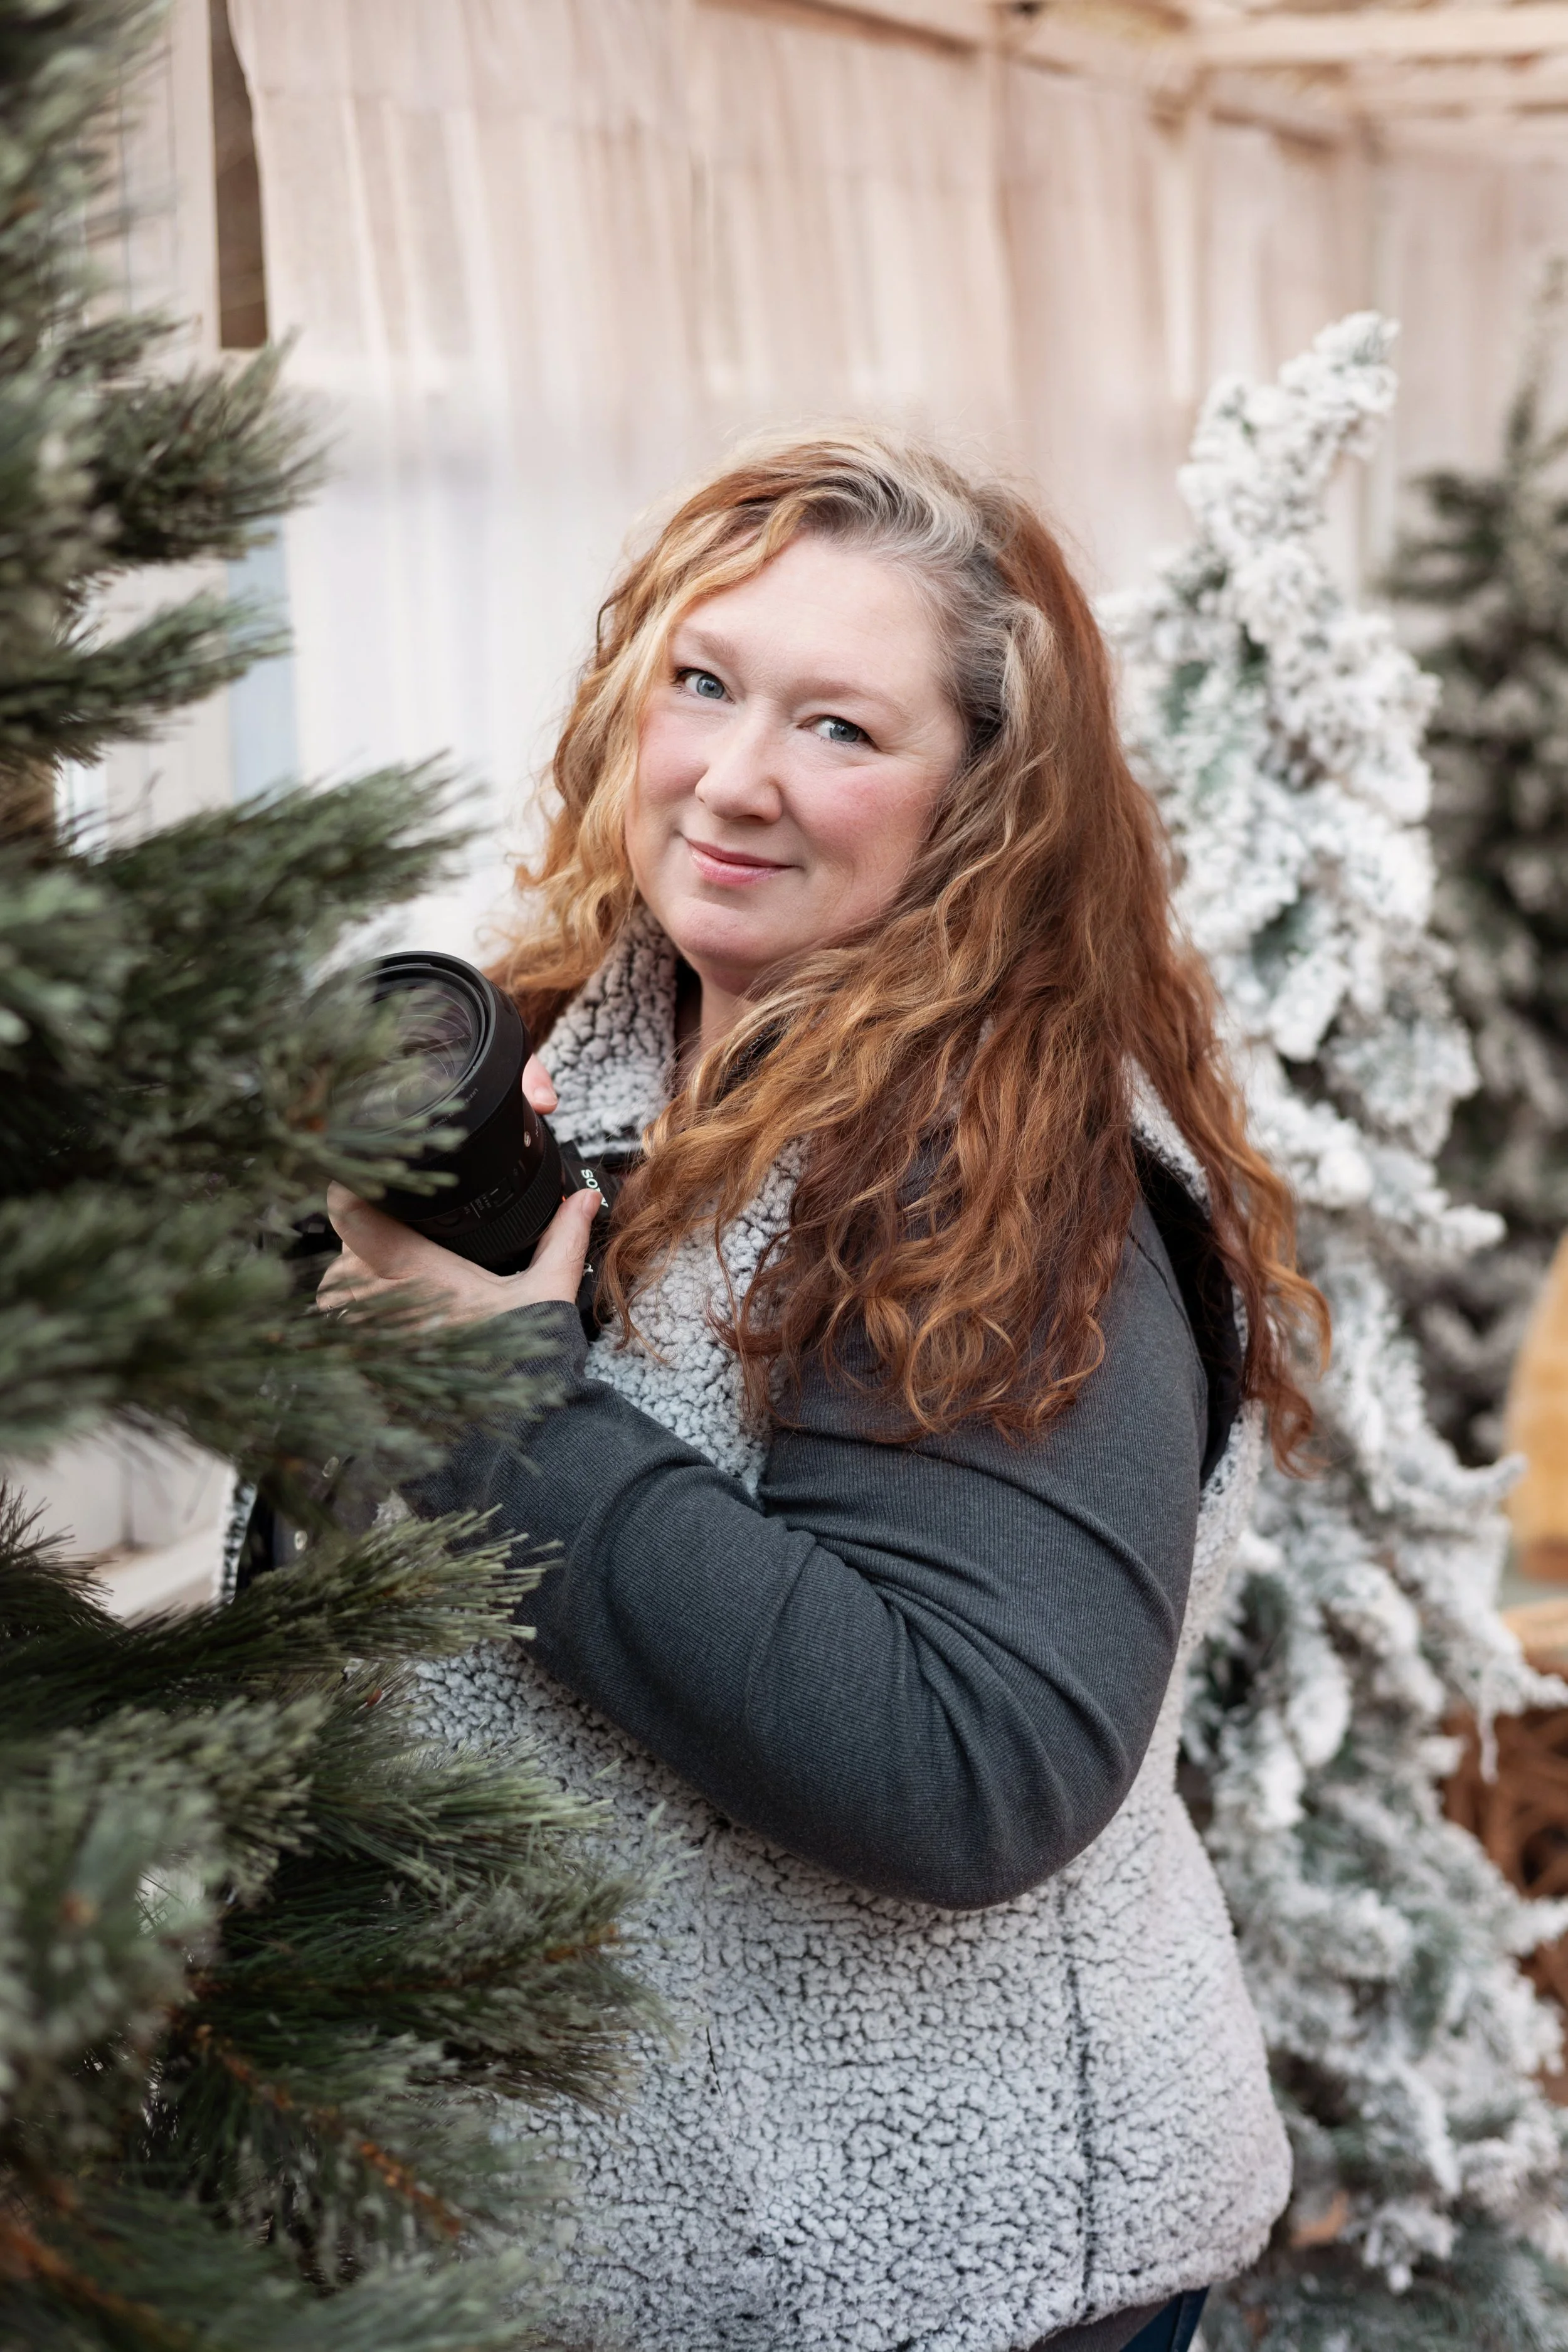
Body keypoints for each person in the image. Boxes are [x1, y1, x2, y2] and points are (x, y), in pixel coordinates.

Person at [326, 432, 1327, 2352]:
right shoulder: (571, 1067)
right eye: (702, 684)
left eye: (842, 729)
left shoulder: (1013, 1177)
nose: (735, 775)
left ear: (981, 805)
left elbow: (966, 1762)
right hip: (579, 2239)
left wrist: (494, 1402)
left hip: (942, 2273)